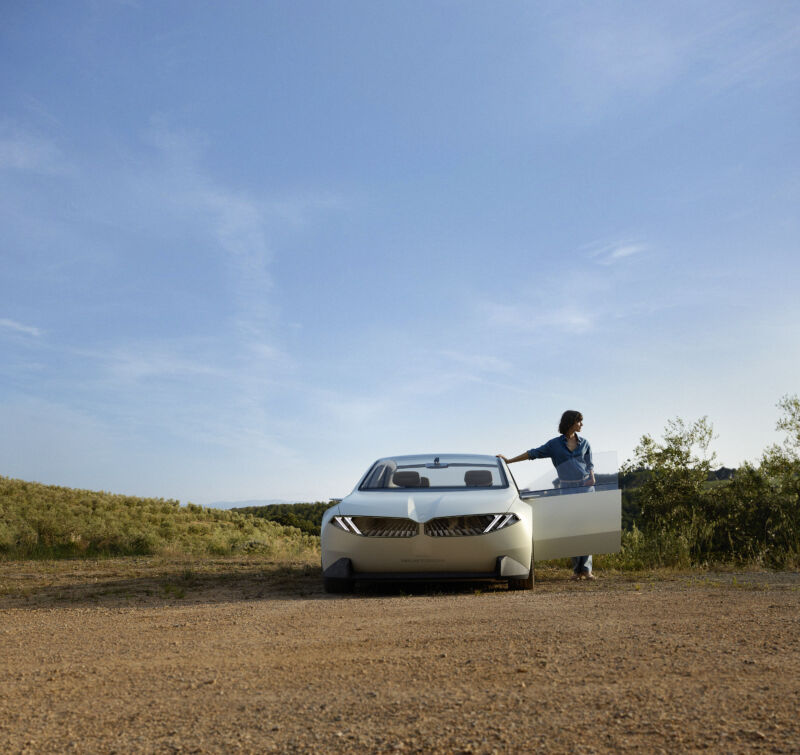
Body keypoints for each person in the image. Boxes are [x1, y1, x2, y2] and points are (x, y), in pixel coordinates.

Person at [497, 410, 596, 581]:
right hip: (566, 489)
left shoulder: (585, 442)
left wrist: (592, 477)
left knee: (585, 528)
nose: (582, 425)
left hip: (585, 488)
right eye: (580, 421)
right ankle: (576, 571)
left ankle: (586, 570)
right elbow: (533, 453)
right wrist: (509, 461)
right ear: (571, 422)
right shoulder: (554, 445)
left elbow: (590, 463)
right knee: (572, 529)